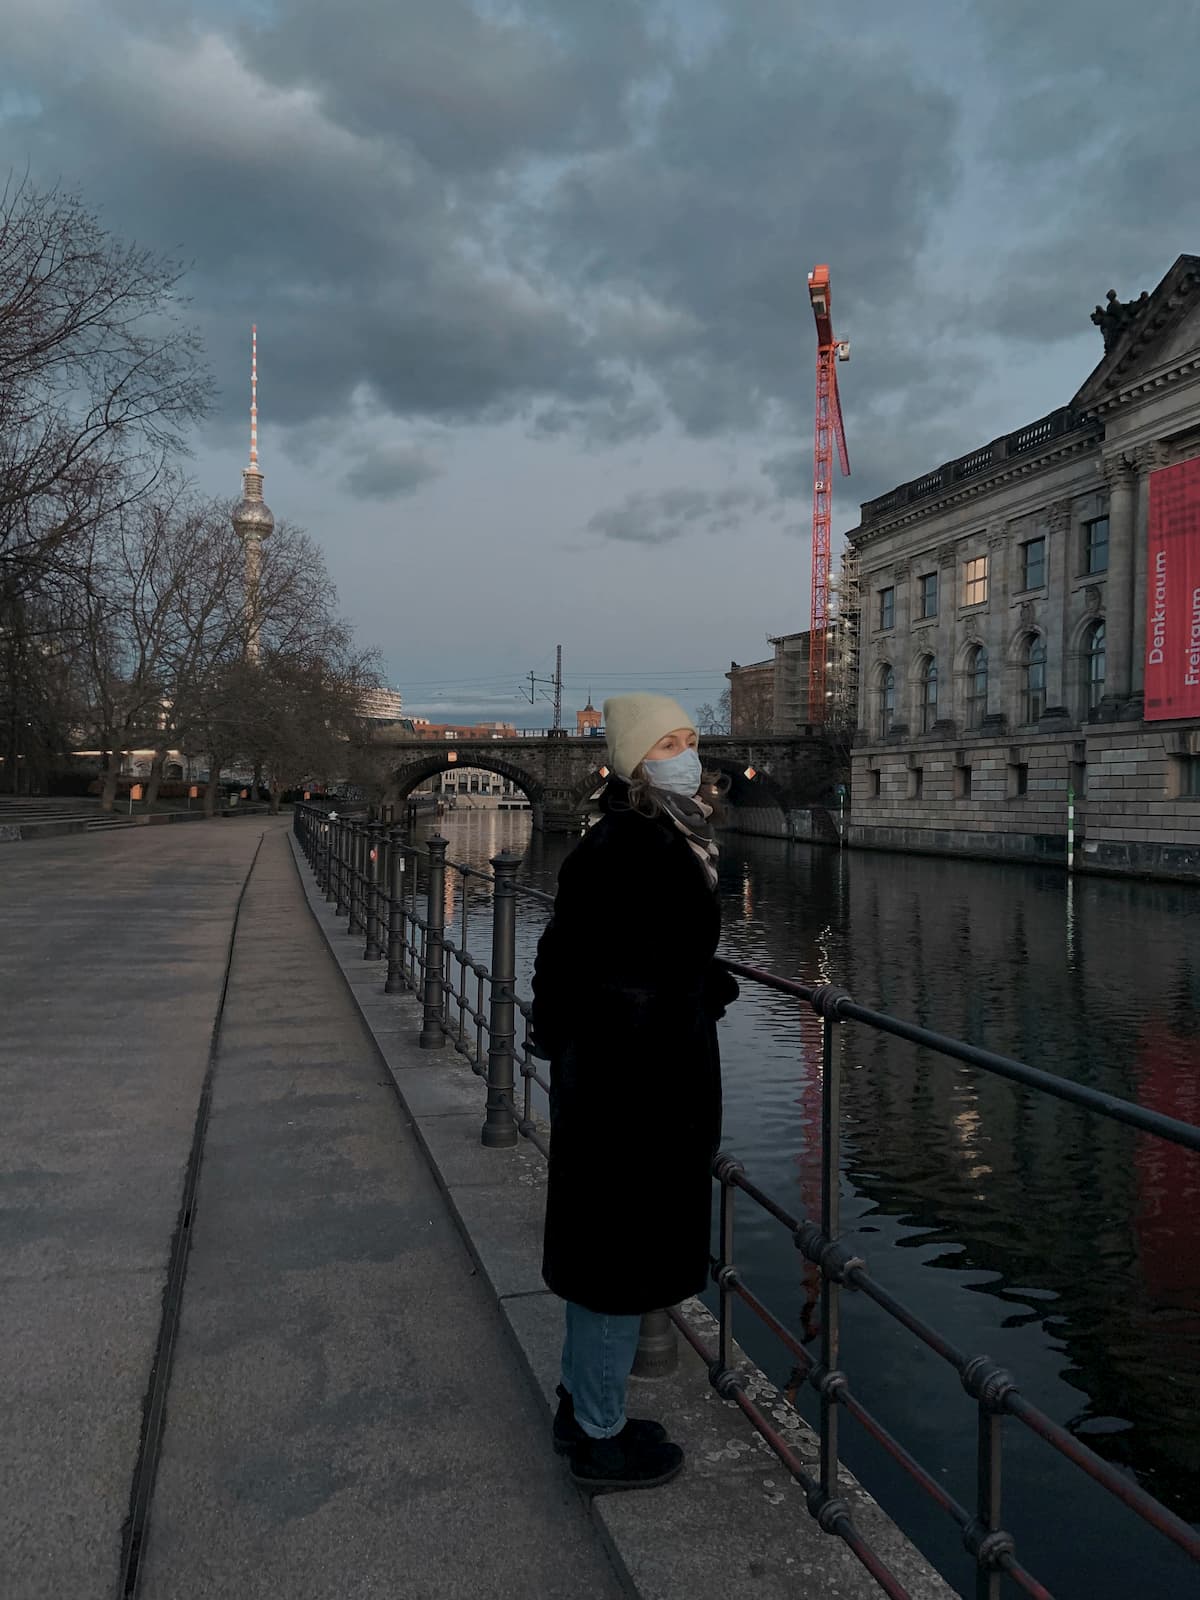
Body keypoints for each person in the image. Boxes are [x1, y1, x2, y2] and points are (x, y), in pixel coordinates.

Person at [530, 693, 738, 1492]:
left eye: (690, 738)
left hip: (614, 1083)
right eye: (669, 743)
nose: (687, 752)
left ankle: (581, 1404)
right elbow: (630, 980)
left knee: (601, 1258)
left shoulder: (643, 837)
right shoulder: (637, 846)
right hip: (636, 1092)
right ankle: (602, 1439)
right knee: (618, 1266)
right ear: (634, 762)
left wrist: (691, 980)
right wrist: (697, 993)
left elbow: (582, 958)